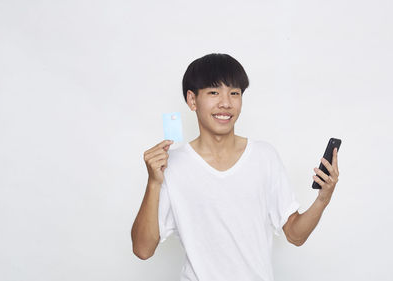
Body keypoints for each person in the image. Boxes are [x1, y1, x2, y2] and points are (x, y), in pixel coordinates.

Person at [131, 53, 340, 281]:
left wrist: (323, 199)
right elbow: (143, 250)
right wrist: (153, 182)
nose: (226, 103)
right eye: (213, 92)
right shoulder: (172, 165)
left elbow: (295, 235)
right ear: (192, 100)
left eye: (234, 93)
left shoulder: (264, 157)